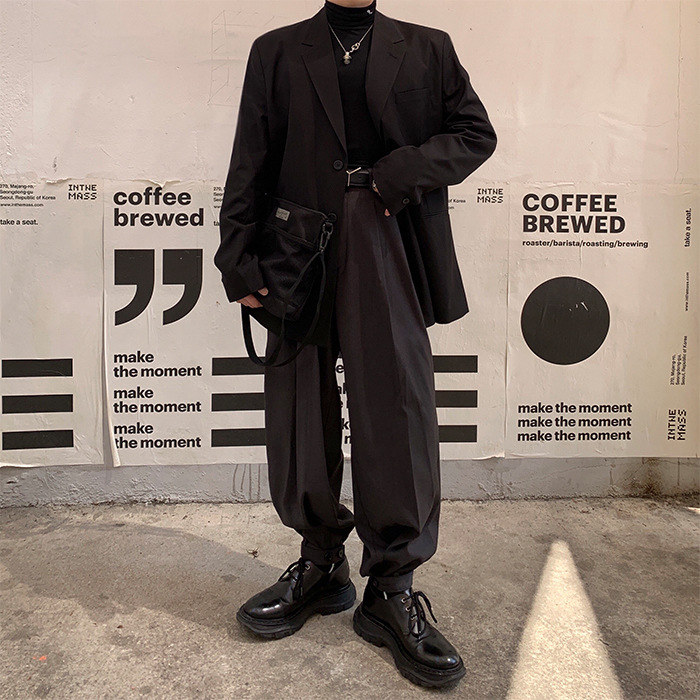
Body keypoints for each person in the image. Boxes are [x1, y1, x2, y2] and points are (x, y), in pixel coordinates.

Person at [214, 0, 496, 688]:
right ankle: (320, 564)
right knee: (297, 407)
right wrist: (237, 259)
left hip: (388, 238)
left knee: (396, 408)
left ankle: (392, 589)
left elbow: (474, 133)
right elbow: (251, 155)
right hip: (295, 246)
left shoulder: (426, 47)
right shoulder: (277, 49)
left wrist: (402, 171)